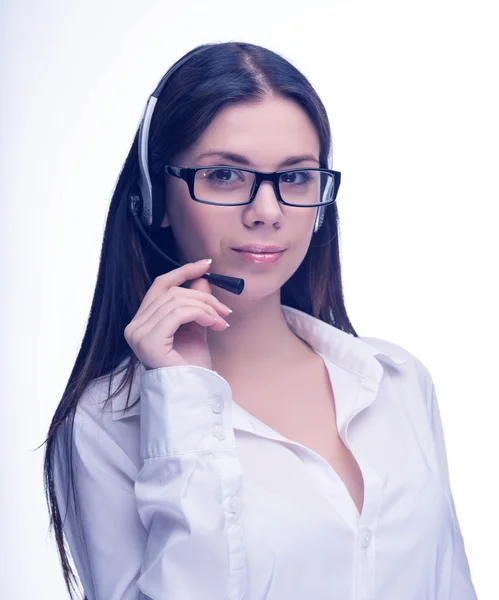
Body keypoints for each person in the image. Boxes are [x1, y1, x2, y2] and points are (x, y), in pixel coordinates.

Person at [42, 41, 477, 600]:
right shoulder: (106, 426)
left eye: (296, 178)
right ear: (155, 199)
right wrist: (183, 402)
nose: (267, 212)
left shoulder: (397, 381)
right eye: (225, 174)